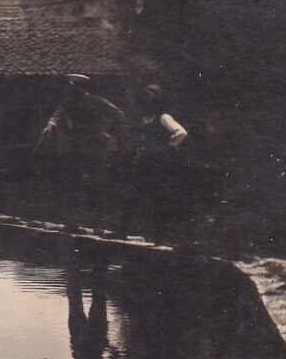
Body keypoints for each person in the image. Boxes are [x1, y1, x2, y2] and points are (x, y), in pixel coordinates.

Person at [33, 74, 125, 230]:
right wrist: (50, 125)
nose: (72, 90)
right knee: (74, 183)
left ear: (82, 88)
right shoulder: (69, 102)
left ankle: (100, 223)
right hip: (76, 146)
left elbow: (119, 115)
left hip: (95, 148)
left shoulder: (97, 101)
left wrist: (105, 130)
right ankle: (73, 222)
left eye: (75, 87)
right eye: (71, 87)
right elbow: (58, 114)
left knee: (97, 183)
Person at [127, 83, 191, 240]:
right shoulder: (144, 119)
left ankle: (159, 234)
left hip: (157, 163)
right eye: (146, 95)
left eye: (151, 96)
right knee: (136, 193)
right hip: (143, 160)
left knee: (158, 196)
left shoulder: (164, 117)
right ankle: (132, 229)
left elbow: (181, 132)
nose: (147, 99)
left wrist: (167, 147)